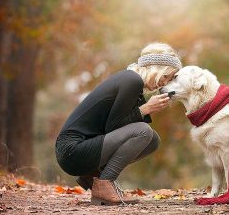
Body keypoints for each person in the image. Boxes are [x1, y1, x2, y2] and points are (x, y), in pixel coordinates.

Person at [55, 43, 181, 205]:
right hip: (72, 150)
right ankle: (105, 182)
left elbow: (118, 126)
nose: (165, 83)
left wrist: (147, 109)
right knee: (144, 132)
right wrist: (146, 109)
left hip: (82, 148)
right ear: (155, 68)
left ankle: (95, 175)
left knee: (152, 140)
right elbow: (113, 127)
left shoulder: (133, 82)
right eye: (166, 77)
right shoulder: (132, 80)